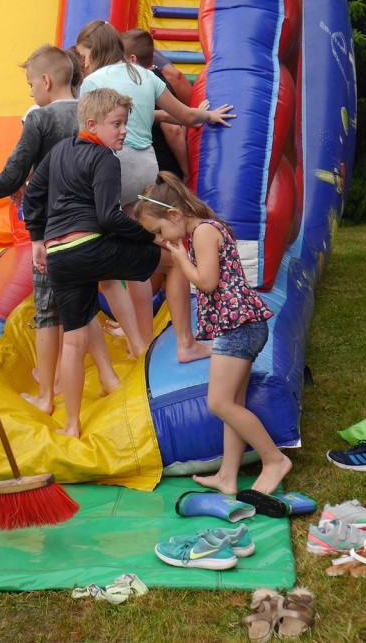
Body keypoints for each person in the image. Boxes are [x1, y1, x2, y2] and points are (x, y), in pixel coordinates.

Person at [0, 44, 119, 413]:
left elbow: (13, 174)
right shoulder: (89, 115)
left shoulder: (41, 119)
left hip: (54, 231)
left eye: (30, 85)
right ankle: (107, 376)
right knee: (82, 302)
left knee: (48, 310)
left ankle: (46, 396)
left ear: (46, 81)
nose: (30, 93)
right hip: (90, 227)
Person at [76, 20, 230, 362]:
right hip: (144, 168)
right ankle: (165, 339)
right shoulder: (144, 76)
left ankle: (135, 338)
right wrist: (206, 115)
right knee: (144, 257)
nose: (82, 63)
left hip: (109, 166)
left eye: (84, 55)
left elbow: (85, 132)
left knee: (109, 255)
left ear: (95, 51)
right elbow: (182, 115)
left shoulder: (93, 83)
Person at [134, 172, 292, 496]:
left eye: (160, 231)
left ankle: (273, 459)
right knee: (232, 402)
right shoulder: (204, 229)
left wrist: (179, 259)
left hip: (238, 328)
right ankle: (227, 475)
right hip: (240, 326)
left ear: (175, 214)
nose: (163, 240)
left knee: (219, 402)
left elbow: (206, 282)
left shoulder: (204, 232)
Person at [24, 88, 165, 438]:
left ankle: (71, 424)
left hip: (59, 258)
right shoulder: (105, 159)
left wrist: (38, 237)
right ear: (92, 124)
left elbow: (32, 193)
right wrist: (149, 236)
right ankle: (184, 342)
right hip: (89, 248)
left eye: (125, 125)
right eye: (117, 124)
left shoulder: (59, 151)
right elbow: (108, 218)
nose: (123, 132)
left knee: (74, 342)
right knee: (172, 261)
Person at [121, 28, 190, 180]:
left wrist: (186, 171)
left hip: (164, 168)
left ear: (133, 59)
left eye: (121, 60)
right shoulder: (158, 77)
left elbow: (173, 130)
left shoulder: (148, 84)